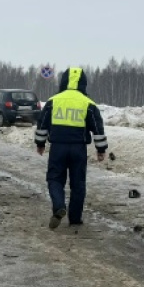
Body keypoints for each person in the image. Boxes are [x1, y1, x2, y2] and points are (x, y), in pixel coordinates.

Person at [35, 67, 108, 229]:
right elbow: (97, 127)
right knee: (78, 184)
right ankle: (75, 218)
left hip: (58, 148)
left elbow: (42, 124)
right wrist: (101, 149)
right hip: (78, 149)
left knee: (54, 179)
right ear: (83, 83)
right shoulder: (88, 103)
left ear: (63, 81)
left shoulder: (53, 101)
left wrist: (40, 144)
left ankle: (59, 206)